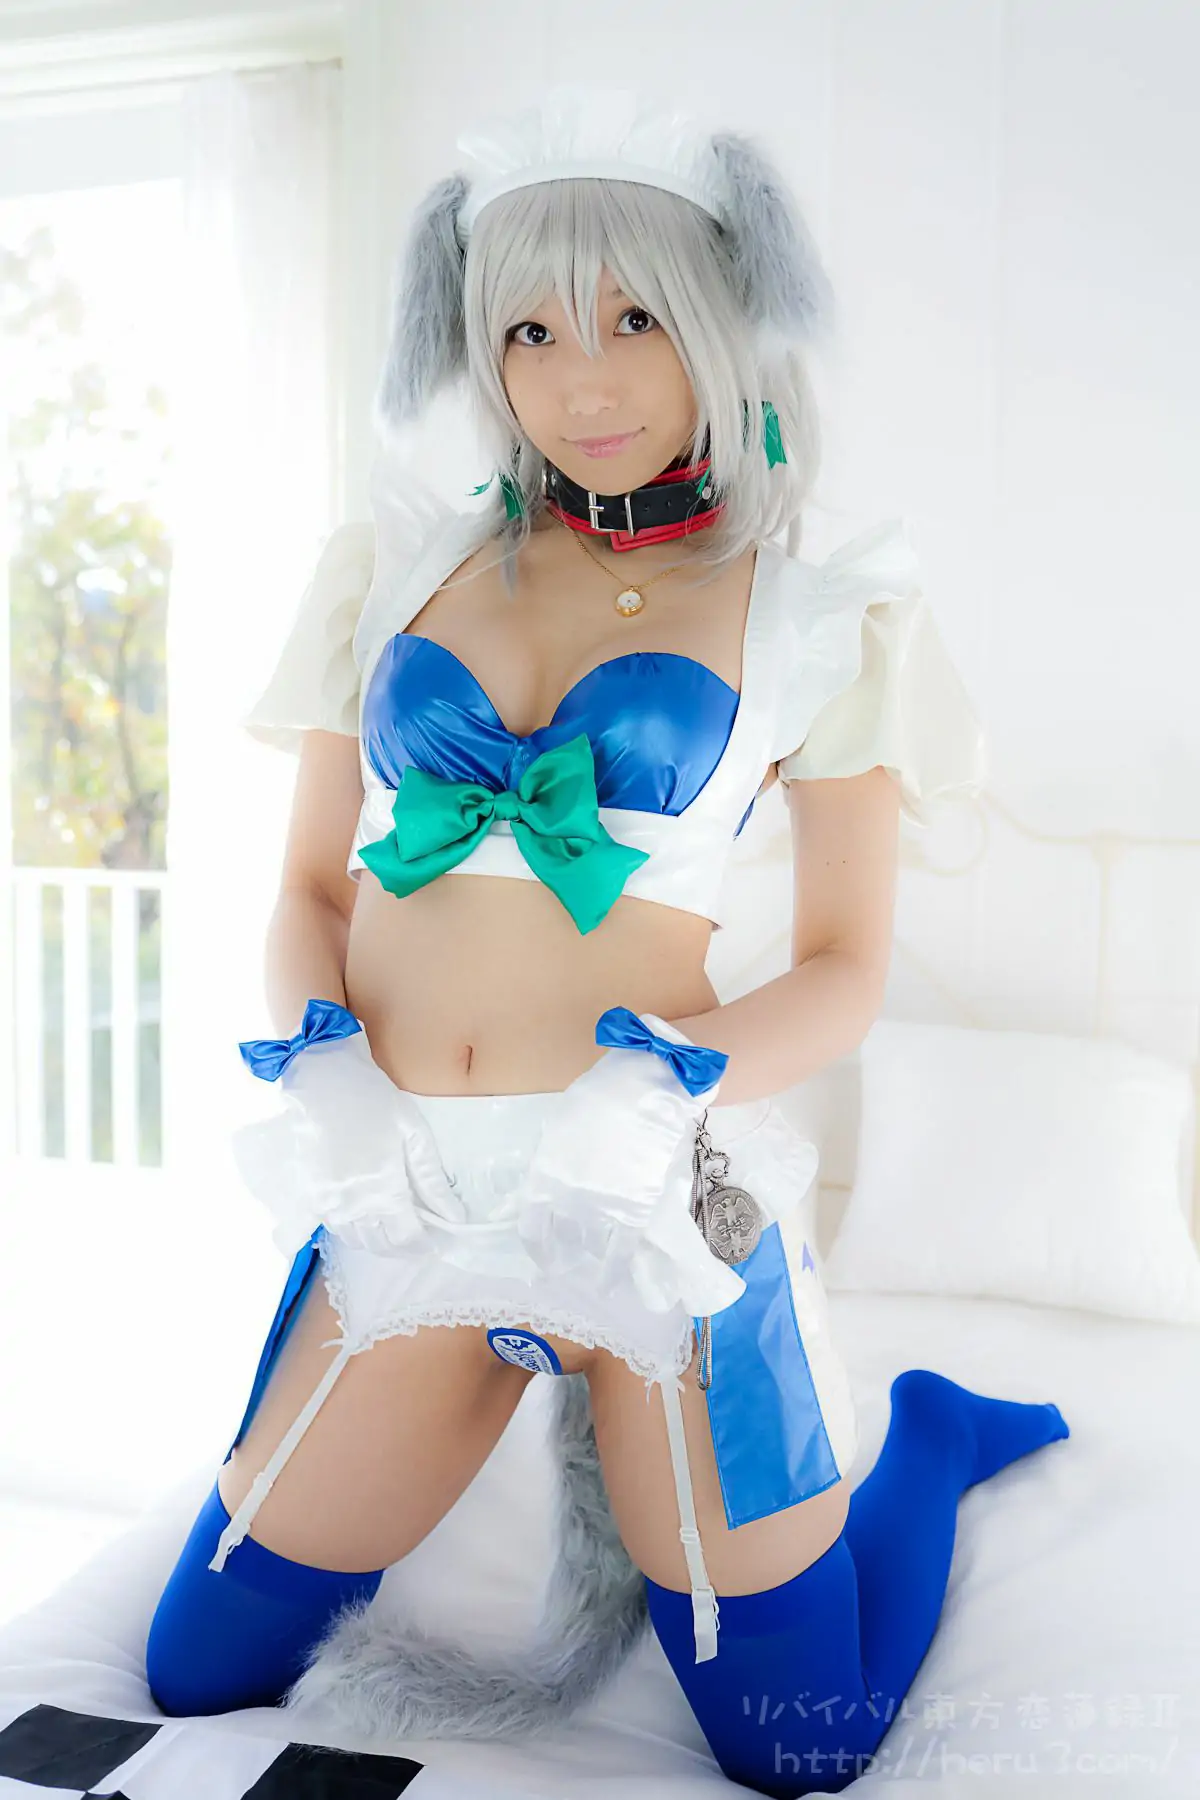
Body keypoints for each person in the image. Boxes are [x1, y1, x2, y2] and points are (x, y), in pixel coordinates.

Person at [143, 82, 1070, 1797]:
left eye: (635, 319)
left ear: (716, 322)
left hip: (650, 1201)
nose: (584, 379)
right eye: (532, 330)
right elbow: (310, 895)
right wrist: (322, 1067)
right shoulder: (389, 571)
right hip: (405, 1193)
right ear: (482, 355)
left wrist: (667, 1089)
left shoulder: (823, 616)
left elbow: (847, 968)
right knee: (194, 1670)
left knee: (801, 1751)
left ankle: (928, 1442)